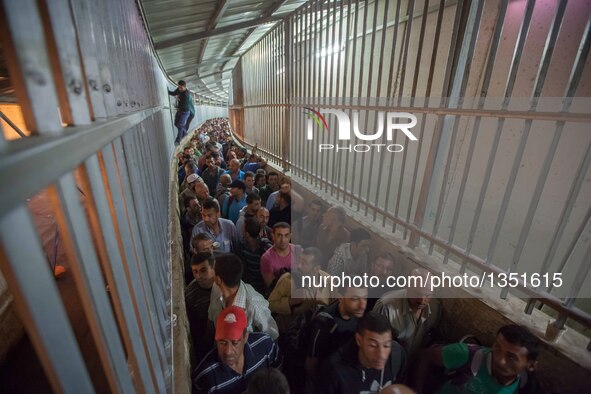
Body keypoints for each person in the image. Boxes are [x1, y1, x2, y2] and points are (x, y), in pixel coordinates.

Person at [415, 324, 542, 394]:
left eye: (511, 357)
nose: (499, 359)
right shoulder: (467, 354)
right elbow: (425, 355)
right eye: (497, 347)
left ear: (530, 365)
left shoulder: (525, 387)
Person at [193, 306, 281, 394]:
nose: (228, 351)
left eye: (235, 343)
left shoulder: (265, 346)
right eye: (222, 342)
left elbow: (278, 377)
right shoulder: (205, 377)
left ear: (246, 337)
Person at [317, 312, 407, 394]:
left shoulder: (396, 357)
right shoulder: (335, 371)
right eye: (373, 345)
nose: (381, 355)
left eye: (386, 346)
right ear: (359, 340)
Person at [373, 269, 441, 363]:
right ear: (408, 287)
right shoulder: (386, 307)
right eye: (417, 294)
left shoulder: (435, 307)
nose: (422, 300)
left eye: (427, 295)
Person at [306, 287, 368, 385]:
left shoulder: (358, 315)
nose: (362, 305)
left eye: (365, 298)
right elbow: (311, 361)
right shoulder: (325, 323)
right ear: (340, 298)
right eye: (355, 299)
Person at [208, 253, 279, 340]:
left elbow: (273, 336)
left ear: (219, 280)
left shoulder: (254, 305)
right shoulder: (216, 288)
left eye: (213, 270)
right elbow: (211, 320)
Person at [185, 252, 216, 362]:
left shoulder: (224, 282)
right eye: (195, 272)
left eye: (203, 270)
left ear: (213, 267)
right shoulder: (190, 295)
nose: (199, 276)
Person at [260, 223, 300, 289]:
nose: (283, 240)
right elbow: (270, 286)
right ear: (273, 236)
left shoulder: (298, 251)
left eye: (286, 235)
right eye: (279, 235)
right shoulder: (266, 258)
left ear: (290, 236)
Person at [168, 80, 191, 145]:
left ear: (184, 87)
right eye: (178, 87)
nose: (179, 89)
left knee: (180, 125)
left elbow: (183, 105)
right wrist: (167, 91)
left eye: (181, 87)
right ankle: (184, 132)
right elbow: (174, 93)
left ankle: (178, 140)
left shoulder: (186, 94)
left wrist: (178, 98)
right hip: (180, 111)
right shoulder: (179, 89)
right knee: (176, 124)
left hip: (185, 112)